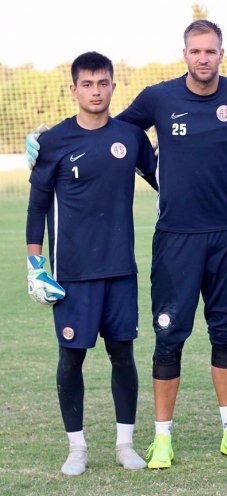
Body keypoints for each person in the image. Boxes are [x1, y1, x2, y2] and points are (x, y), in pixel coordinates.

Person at [26, 20, 227, 468]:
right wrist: (47, 138)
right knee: (166, 337)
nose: (202, 58)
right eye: (195, 51)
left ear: (220, 53)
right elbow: (106, 129)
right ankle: (158, 438)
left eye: (210, 51)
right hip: (172, 238)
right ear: (184, 54)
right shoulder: (157, 99)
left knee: (225, 334)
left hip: (226, 234)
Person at [25, 51, 158, 475]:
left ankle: (124, 444)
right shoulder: (54, 141)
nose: (96, 91)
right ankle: (77, 448)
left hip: (120, 270)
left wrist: (222, 190)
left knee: (123, 354)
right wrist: (35, 265)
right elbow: (36, 205)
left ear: (113, 86)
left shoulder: (130, 137)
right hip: (72, 275)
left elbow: (166, 178)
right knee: (72, 359)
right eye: (87, 84)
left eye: (103, 83)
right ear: (74, 89)